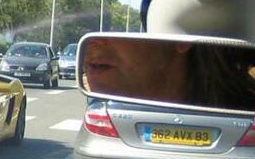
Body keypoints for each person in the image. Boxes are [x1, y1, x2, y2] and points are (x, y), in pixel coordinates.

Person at [82, 37, 255, 111]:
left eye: (117, 30)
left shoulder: (247, 119)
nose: (91, 42)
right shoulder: (105, 113)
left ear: (181, 39)